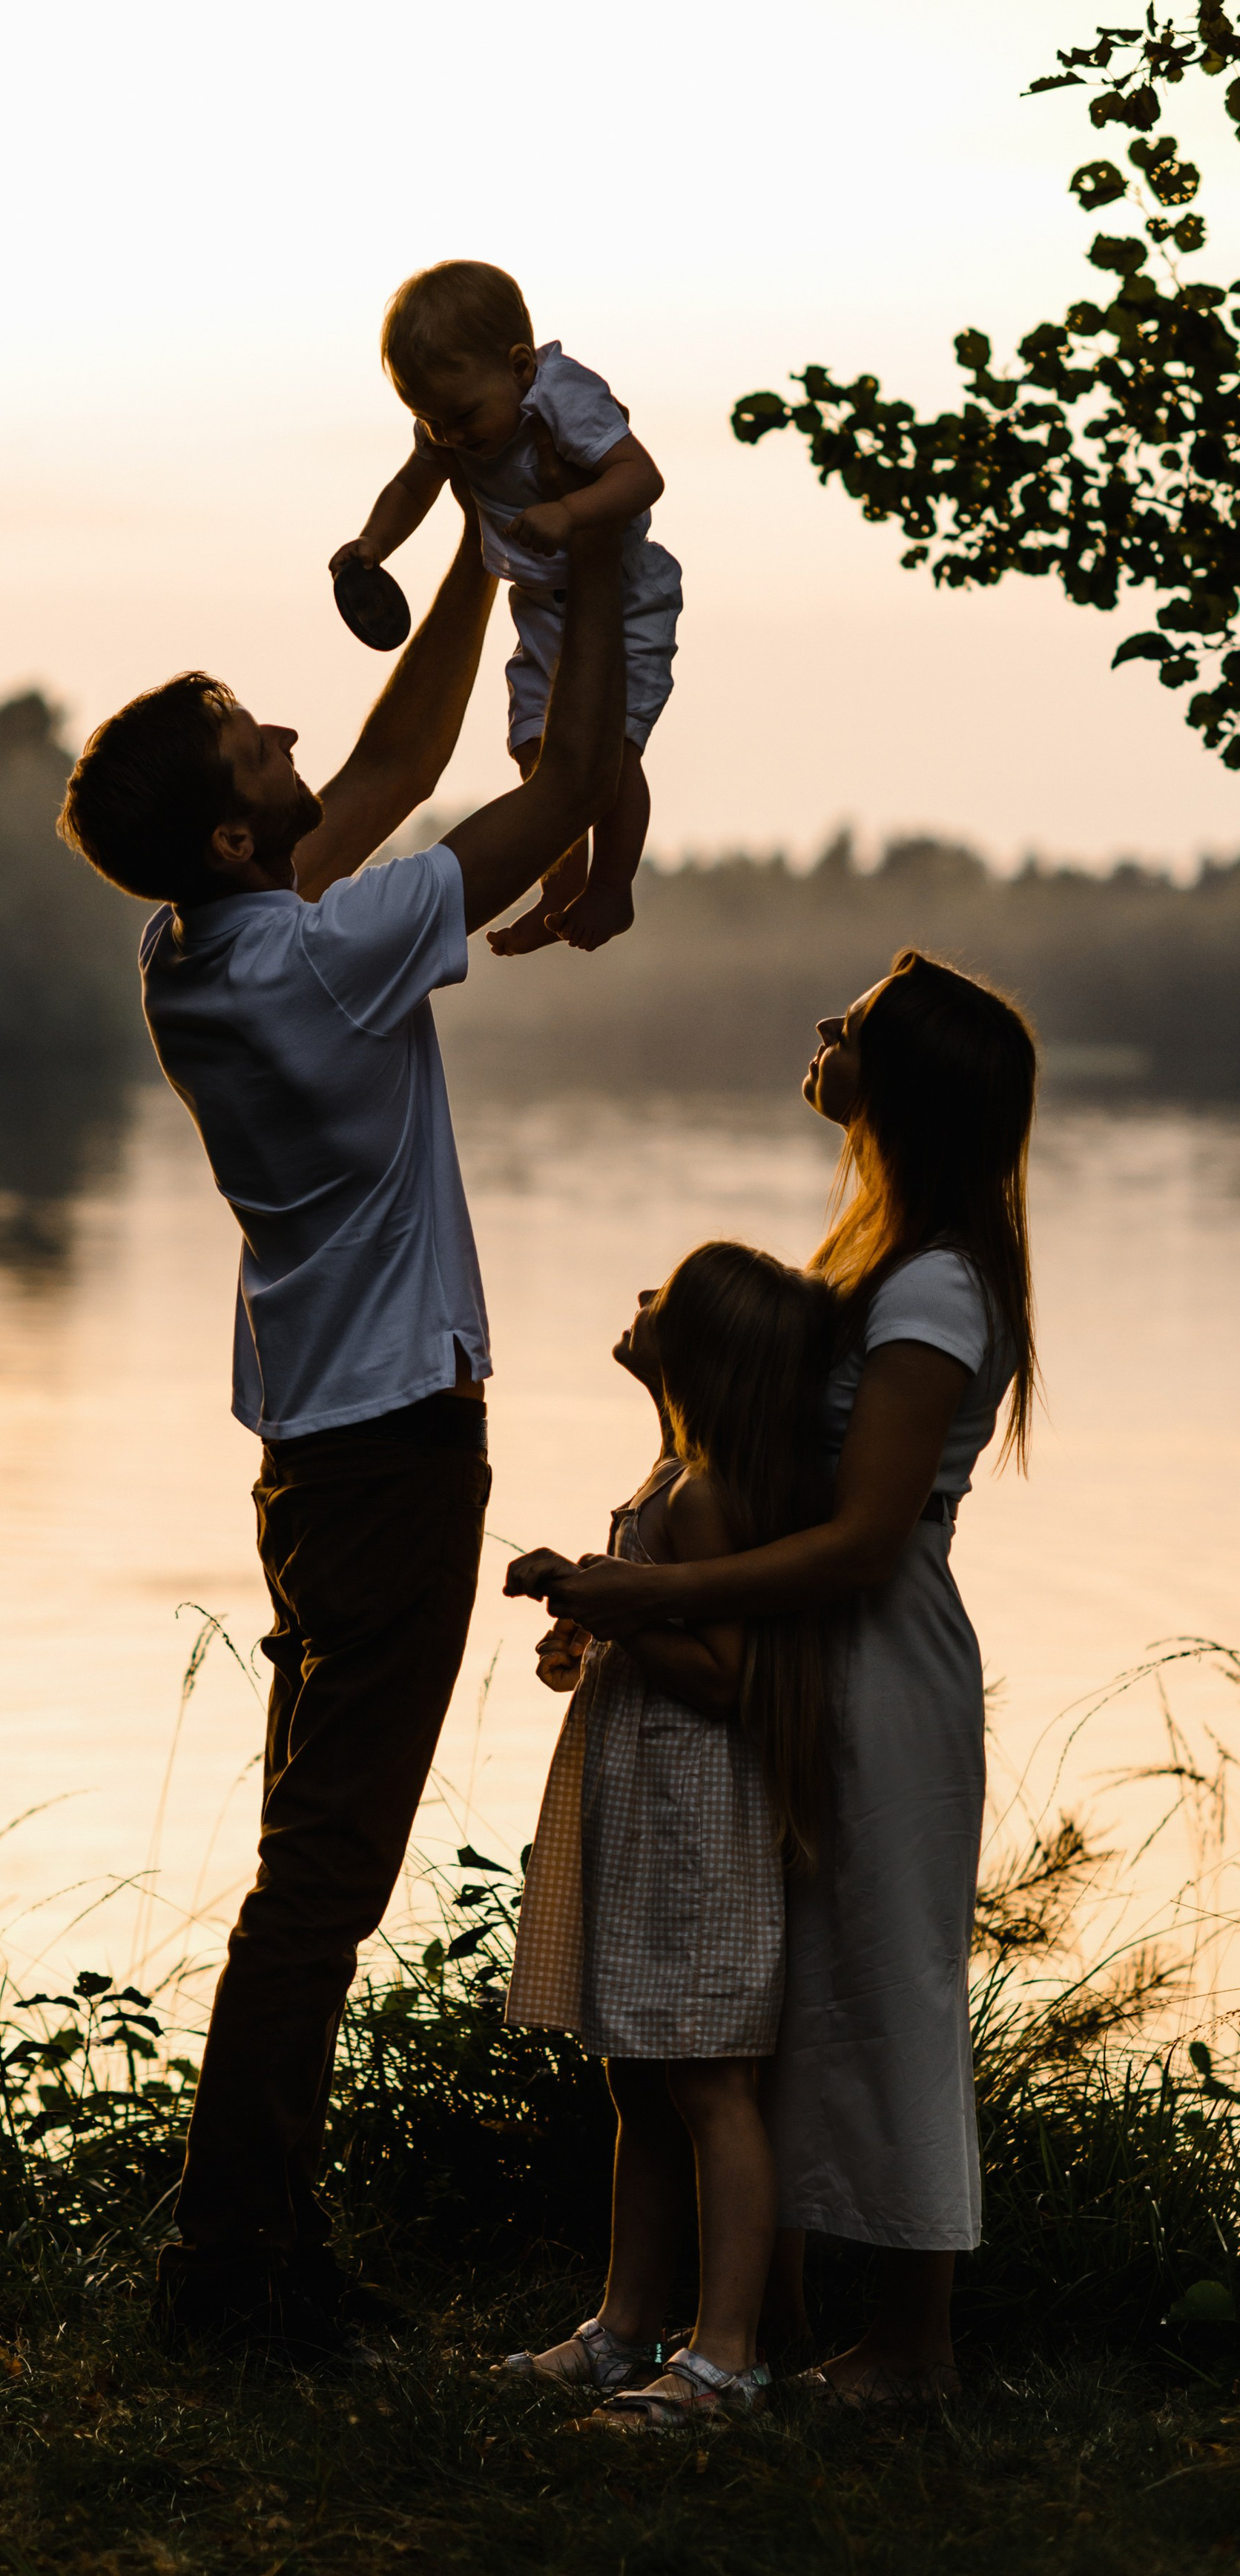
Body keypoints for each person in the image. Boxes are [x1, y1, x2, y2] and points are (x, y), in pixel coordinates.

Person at [55, 498, 632, 2361]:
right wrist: (590, 573)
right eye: (254, 740)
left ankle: (244, 2249)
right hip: (386, 1455)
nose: (294, 737)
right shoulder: (317, 955)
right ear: (236, 829)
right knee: (324, 1876)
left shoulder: (199, 946)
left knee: (307, 1863)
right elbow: (537, 799)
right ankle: (233, 2270)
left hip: (322, 1455)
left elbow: (391, 754)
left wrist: (475, 542)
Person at [504, 952, 1038, 2405]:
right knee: (773, 1992)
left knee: (883, 1987)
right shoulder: (878, 1256)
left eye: (853, 1024)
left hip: (873, 1666)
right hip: (804, 1658)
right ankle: (764, 2313)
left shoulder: (931, 1283)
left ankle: (910, 2345)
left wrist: (645, 1591)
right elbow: (775, 1466)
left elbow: (861, 1538)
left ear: (907, 1081)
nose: (822, 1028)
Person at [498, 1243, 834, 2426]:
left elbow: (727, 1676)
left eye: (665, 1299)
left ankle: (726, 2353)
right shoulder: (670, 1476)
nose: (639, 1301)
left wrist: (616, 1618)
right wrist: (585, 1627)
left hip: (699, 1828)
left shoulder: (705, 1497)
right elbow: (661, 1631)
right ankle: (623, 2329)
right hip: (650, 1818)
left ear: (704, 1354)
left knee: (709, 2085)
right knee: (641, 2078)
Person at [330, 258, 682, 958]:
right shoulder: (451, 425)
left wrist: (571, 512)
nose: (451, 436)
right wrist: (372, 545)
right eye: (430, 420)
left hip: (626, 597)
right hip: (541, 603)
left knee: (607, 754)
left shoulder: (565, 398)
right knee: (532, 744)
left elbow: (642, 477)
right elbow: (412, 485)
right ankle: (559, 878)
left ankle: (613, 886)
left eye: (461, 416)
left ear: (521, 367)